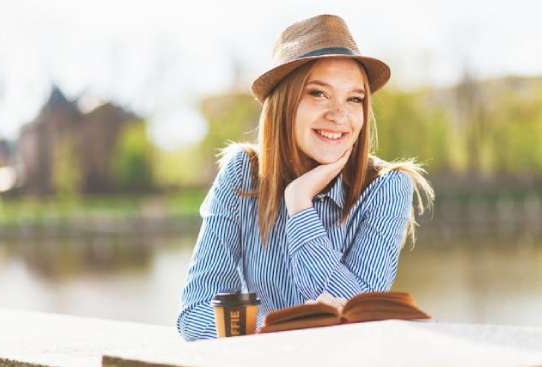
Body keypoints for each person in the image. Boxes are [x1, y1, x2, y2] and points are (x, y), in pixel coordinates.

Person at [176, 14, 435, 341]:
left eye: (354, 98)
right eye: (319, 94)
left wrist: (299, 205)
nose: (339, 114)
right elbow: (196, 312)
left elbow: (357, 314)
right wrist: (277, 330)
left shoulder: (388, 186)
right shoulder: (243, 173)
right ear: (284, 103)